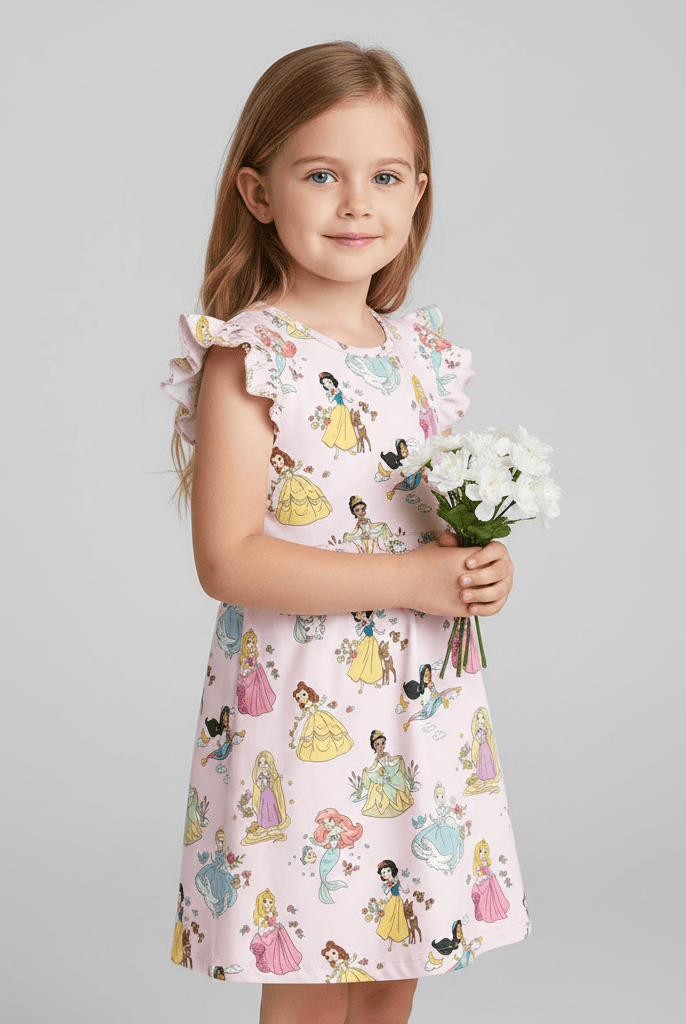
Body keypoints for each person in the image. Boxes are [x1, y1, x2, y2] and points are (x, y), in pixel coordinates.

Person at [161, 39, 529, 1024]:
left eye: (385, 177)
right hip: (306, 710)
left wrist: (476, 568)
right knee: (318, 972)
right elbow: (228, 557)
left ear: (418, 194)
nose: (356, 203)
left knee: (393, 962)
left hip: (419, 705)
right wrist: (410, 581)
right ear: (258, 191)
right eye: (321, 174)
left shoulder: (421, 356)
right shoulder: (250, 358)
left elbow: (422, 523)